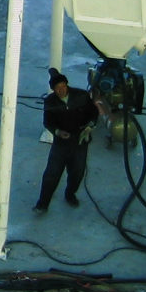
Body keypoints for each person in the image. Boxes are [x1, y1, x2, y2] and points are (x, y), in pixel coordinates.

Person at [33, 69, 104, 213]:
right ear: (53, 90)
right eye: (57, 88)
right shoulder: (50, 101)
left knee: (77, 172)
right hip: (61, 143)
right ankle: (42, 204)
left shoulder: (82, 96)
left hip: (80, 141)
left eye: (63, 86)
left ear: (67, 85)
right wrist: (58, 132)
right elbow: (48, 122)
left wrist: (89, 127)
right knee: (52, 173)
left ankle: (70, 194)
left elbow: (93, 113)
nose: (61, 90)